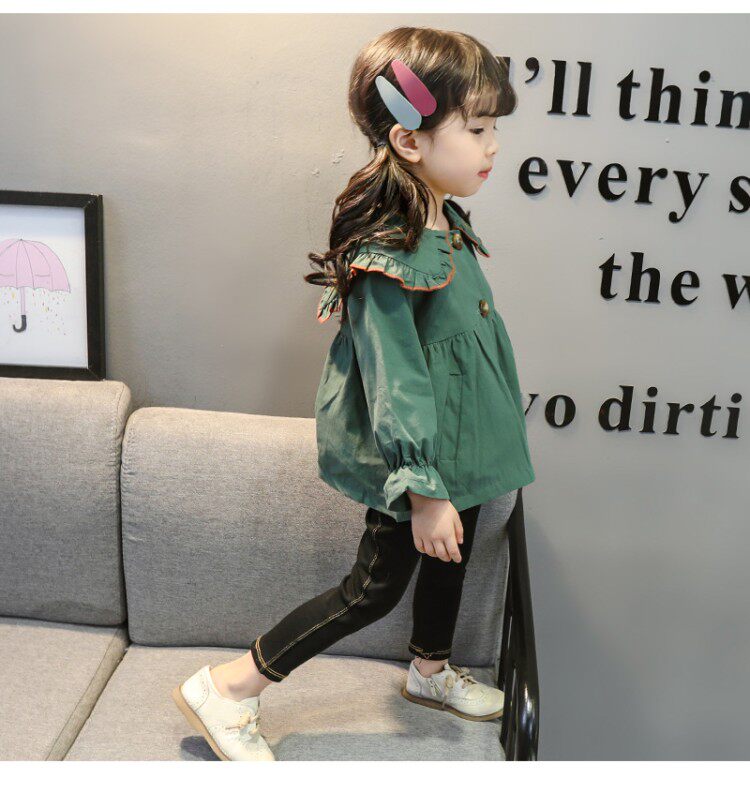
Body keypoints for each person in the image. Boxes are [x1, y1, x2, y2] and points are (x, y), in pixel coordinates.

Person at [172, 25, 535, 762]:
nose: (494, 146)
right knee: (372, 589)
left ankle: (429, 672)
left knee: (453, 558)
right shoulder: (386, 253)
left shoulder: (443, 215)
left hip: (461, 441)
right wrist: (424, 491)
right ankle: (230, 686)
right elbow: (395, 378)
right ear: (410, 140)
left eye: (494, 128)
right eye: (476, 129)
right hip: (420, 459)